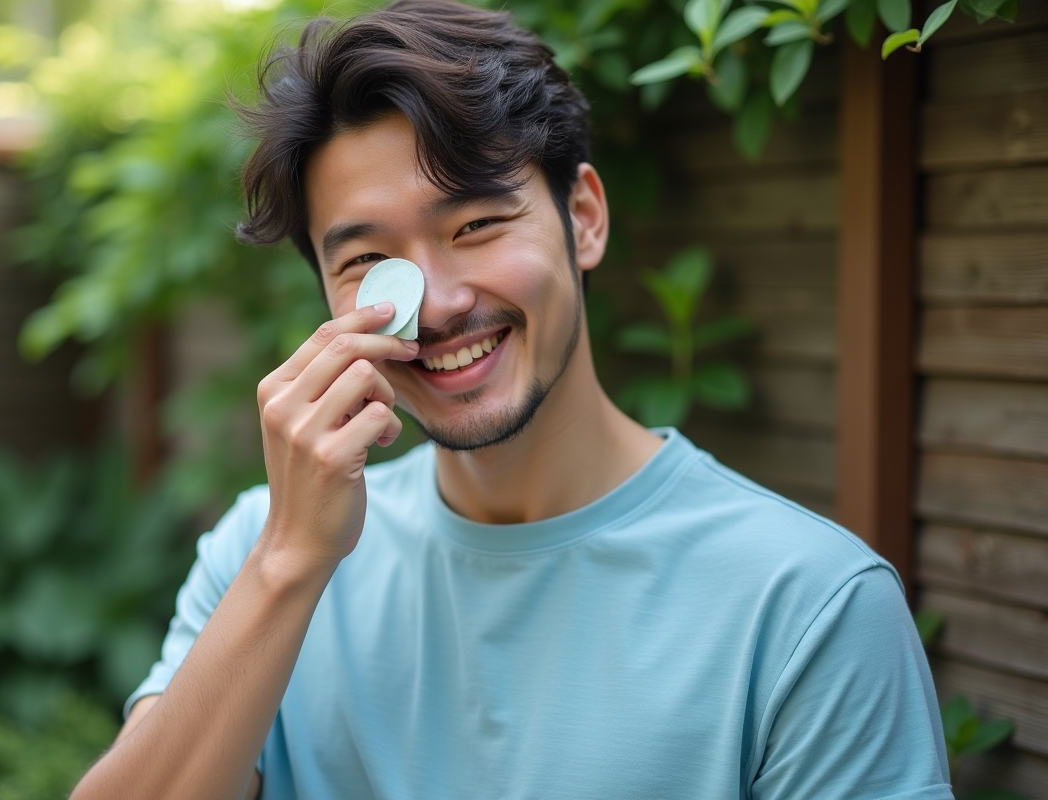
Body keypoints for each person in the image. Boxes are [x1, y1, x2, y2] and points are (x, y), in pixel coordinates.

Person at [70, 2, 953, 798]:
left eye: (476, 226)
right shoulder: (258, 558)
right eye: (371, 263)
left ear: (585, 218)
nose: (442, 302)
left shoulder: (807, 607)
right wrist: (290, 564)